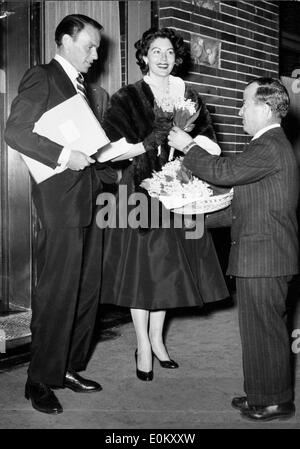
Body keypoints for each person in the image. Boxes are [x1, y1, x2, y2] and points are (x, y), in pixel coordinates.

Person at [99, 27, 229, 381]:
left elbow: (210, 142)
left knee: (168, 270)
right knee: (142, 272)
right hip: (139, 190)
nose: (163, 58)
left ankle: (157, 339)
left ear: (177, 57)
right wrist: (145, 143)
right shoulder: (126, 96)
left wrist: (189, 146)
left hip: (179, 190)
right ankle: (142, 342)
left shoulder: (188, 94)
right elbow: (109, 150)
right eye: (156, 51)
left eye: (169, 52)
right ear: (143, 56)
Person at [168, 77, 299, 421]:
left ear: (265, 107)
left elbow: (224, 172)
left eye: (244, 103)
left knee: (264, 330)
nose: (239, 110)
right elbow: (237, 206)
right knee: (260, 330)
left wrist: (188, 147)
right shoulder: (268, 146)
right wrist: (187, 215)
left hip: (264, 256)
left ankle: (274, 401)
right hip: (263, 254)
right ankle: (262, 393)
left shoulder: (269, 144)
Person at [4, 14, 117, 415]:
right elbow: (15, 131)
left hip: (90, 202)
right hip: (59, 204)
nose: (95, 54)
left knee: (86, 293)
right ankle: (39, 379)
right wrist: (65, 155)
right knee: (56, 294)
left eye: (97, 48)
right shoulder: (43, 77)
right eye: (89, 45)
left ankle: (68, 367)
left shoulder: (86, 90)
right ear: (65, 40)